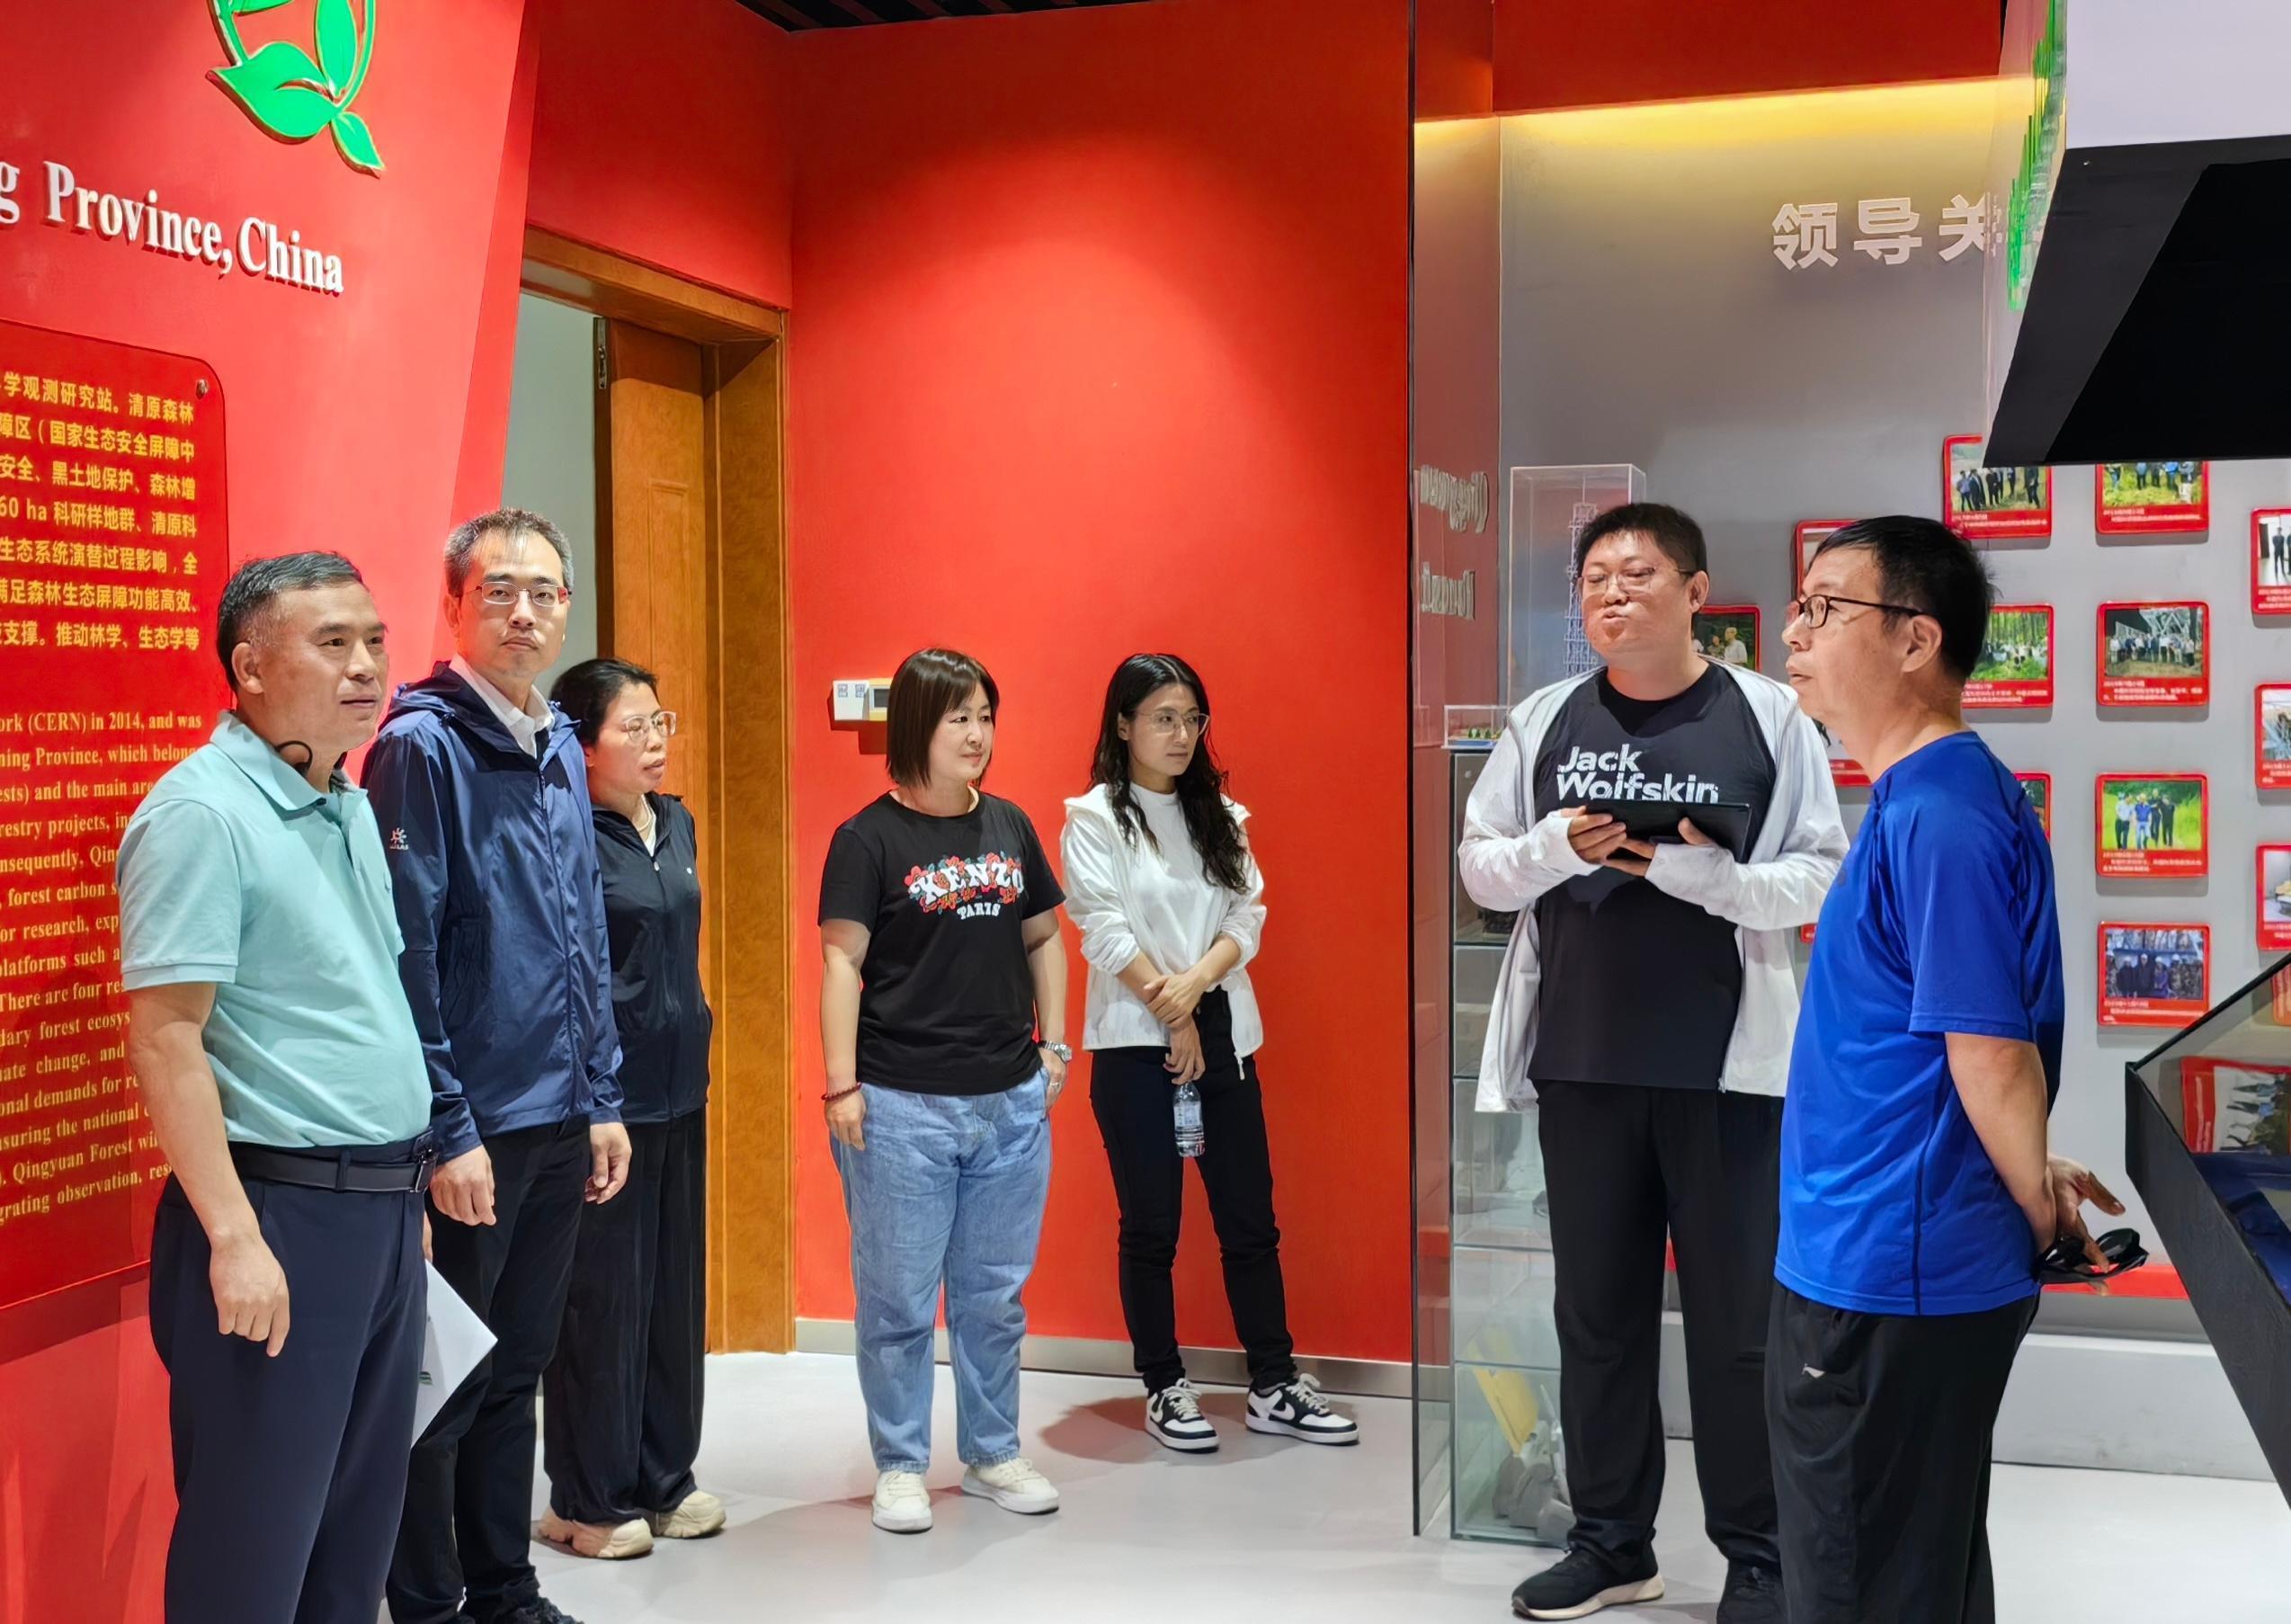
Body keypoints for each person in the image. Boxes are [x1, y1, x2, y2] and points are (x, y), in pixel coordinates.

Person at [1458, 503, 1846, 1624]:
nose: (1610, 594)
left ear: (1694, 592)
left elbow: (1818, 872)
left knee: (1738, 1330)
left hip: (1726, 1074)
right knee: (1596, 1318)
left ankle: (1759, 1558)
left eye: (1634, 574)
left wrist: (1702, 879)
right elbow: (1482, 869)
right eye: (1592, 579)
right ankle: (1611, 1543)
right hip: (1582, 1062)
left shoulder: (1767, 716)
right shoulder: (1543, 720)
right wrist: (1552, 848)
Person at [1771, 514, 2124, 1624]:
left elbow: (1988, 1050)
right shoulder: (1935, 799)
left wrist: (2034, 1206)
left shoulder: (1937, 815)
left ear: (1915, 639)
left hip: (1890, 1269)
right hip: (1886, 1245)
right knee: (1913, 1570)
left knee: (1863, 1578)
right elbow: (1956, 1051)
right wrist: (2027, 1171)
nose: (1793, 632)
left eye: (1825, 607)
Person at [120, 553, 433, 1624]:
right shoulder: (201, 815)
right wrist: (233, 1236)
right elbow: (167, 1038)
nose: (367, 667)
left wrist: (402, 1194)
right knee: (250, 1556)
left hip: (378, 1213)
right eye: (331, 644)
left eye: (374, 641)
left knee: (352, 1550)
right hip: (277, 1217)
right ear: (250, 668)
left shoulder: (344, 801)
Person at [368, 508, 632, 1624]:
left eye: (544, 593)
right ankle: (429, 1605)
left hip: (562, 1111)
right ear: (454, 607)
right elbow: (408, 946)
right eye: (498, 591)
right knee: (446, 1380)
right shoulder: (420, 747)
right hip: (477, 1124)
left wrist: (602, 1096)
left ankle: (505, 1592)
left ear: (566, 608)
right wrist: (448, 1126)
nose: (524, 612)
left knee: (517, 1366)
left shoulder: (559, 739)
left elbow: (584, 933)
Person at [1061, 654, 1358, 1454]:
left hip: (1220, 1022)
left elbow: (1246, 917)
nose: (1181, 734)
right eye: (1163, 718)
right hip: (1134, 1037)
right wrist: (1174, 1008)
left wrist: (1194, 990)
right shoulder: (1094, 818)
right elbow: (1101, 929)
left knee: (1250, 1220)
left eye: (1192, 719)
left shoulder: (1219, 814)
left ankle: (1273, 1383)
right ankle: (1165, 1385)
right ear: (1123, 724)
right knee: (1151, 1225)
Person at [819, 647, 1071, 1535]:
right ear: (915, 727)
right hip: (900, 1106)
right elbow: (842, 964)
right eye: (958, 717)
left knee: (993, 1297)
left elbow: (1044, 938)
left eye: (986, 717)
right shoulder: (867, 839)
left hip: (1009, 1102)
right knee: (896, 1300)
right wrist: (841, 1086)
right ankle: (899, 1465)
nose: (977, 735)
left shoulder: (1009, 825)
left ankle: (994, 1451)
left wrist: (1055, 1048)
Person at [539, 659, 723, 1557]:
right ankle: (588, 1500)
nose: (656, 741)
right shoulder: (565, 832)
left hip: (681, 1095)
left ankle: (664, 1478)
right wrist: (592, 1092)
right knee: (602, 1307)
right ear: (582, 745)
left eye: (662, 722)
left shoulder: (675, 821)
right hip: (606, 1105)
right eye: (634, 727)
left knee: (671, 1301)